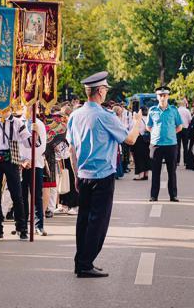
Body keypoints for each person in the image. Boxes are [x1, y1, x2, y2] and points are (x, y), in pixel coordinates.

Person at [67, 71, 142, 278]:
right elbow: (130, 140)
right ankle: (85, 263)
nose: (106, 92)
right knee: (98, 222)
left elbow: (72, 149)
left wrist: (75, 174)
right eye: (105, 89)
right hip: (102, 176)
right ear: (99, 91)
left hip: (83, 174)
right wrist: (137, 122)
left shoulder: (75, 115)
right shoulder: (104, 115)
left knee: (83, 220)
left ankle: (80, 260)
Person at [0, 105, 32, 241]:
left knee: (17, 194)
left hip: (12, 158)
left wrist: (34, 134)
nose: (2, 110)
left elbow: (29, 143)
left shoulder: (18, 123)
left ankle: (22, 228)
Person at [146, 86, 183, 202]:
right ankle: (153, 196)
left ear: (168, 96)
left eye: (164, 95)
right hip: (156, 145)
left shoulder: (173, 110)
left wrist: (170, 134)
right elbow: (148, 126)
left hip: (171, 144)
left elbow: (179, 126)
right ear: (157, 97)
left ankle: (173, 195)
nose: (162, 97)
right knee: (155, 172)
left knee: (172, 171)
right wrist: (157, 134)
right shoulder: (152, 110)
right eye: (160, 95)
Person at [20, 105, 47, 236]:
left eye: (29, 107)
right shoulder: (18, 122)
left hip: (35, 163)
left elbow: (42, 146)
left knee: (36, 195)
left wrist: (31, 159)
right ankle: (23, 225)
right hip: (21, 164)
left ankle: (38, 225)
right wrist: (22, 160)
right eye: (25, 107)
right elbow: (16, 143)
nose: (27, 110)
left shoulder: (39, 124)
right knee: (22, 195)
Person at [131, 106, 151, 180]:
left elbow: (133, 128)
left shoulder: (138, 119)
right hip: (147, 140)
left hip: (139, 139)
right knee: (146, 156)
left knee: (139, 157)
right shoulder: (148, 119)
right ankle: (146, 174)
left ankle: (141, 175)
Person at [177, 100, 192, 166]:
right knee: (185, 146)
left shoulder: (176, 110)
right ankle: (186, 161)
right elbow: (190, 120)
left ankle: (177, 161)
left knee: (178, 146)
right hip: (185, 129)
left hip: (177, 129)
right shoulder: (187, 111)